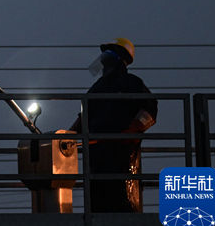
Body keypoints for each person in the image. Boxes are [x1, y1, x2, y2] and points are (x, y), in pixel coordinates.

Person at [66, 37, 157, 212]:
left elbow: (149, 110)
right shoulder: (98, 87)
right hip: (96, 155)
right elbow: (84, 116)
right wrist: (67, 136)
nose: (103, 58)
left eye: (108, 54)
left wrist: (132, 131)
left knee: (122, 199)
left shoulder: (132, 83)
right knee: (98, 201)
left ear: (120, 57)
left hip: (122, 154)